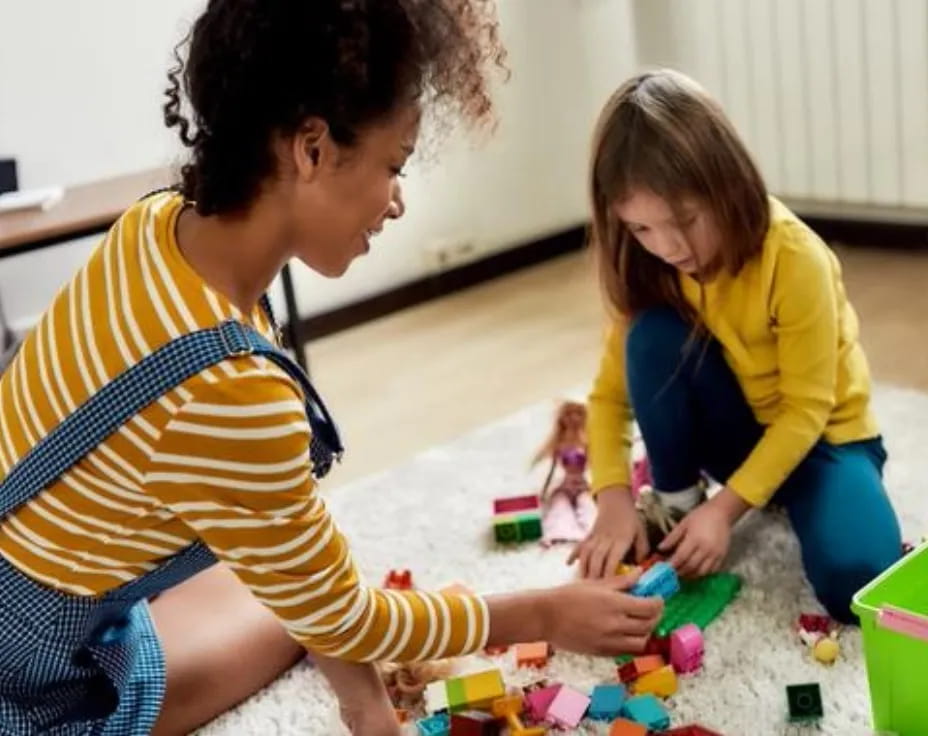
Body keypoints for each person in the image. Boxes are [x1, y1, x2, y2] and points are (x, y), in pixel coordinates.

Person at [0, 3, 663, 735]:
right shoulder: (230, 393)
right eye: (393, 165)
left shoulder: (154, 227)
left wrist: (362, 699)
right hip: (32, 683)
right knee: (295, 606)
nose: (397, 201)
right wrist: (541, 612)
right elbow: (345, 618)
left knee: (287, 563)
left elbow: (297, 566)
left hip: (31, 565)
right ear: (311, 148)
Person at [570, 69, 902, 624]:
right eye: (642, 229)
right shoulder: (650, 269)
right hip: (735, 432)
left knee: (858, 582)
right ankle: (676, 500)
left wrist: (727, 511)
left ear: (728, 185)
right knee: (652, 337)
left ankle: (774, 502)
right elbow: (608, 400)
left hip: (826, 439)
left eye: (684, 221)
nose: (670, 247)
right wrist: (612, 499)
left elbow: (805, 410)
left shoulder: (794, 256)